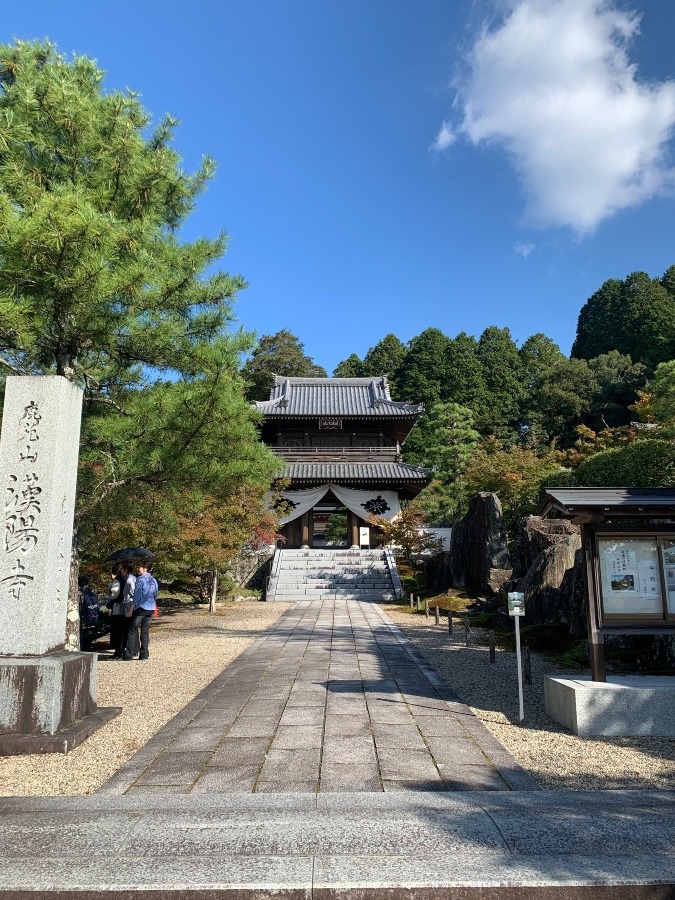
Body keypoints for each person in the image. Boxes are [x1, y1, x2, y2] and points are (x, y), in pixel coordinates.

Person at [123, 561, 158, 661]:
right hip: (151, 608)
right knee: (145, 632)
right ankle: (144, 654)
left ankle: (129, 654)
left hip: (141, 608)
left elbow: (137, 595)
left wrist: (131, 608)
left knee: (132, 630)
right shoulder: (153, 580)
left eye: (139, 567)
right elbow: (156, 594)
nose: (138, 569)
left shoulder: (140, 580)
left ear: (145, 569)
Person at [106, 564, 127, 659]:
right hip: (124, 606)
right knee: (122, 630)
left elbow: (114, 594)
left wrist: (110, 590)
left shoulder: (117, 580)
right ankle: (122, 649)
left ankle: (118, 651)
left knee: (117, 630)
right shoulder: (125, 578)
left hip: (117, 606)